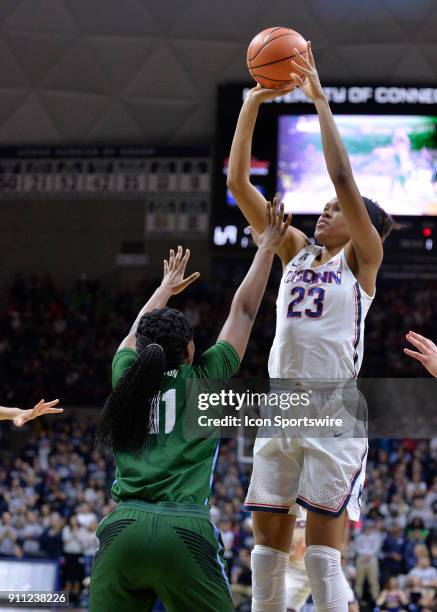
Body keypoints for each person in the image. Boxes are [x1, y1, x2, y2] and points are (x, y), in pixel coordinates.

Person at [227, 40, 398, 611]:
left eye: (335, 210)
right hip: (282, 403)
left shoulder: (362, 261)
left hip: (333, 406)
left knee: (322, 559)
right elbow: (238, 187)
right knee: (267, 554)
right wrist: (253, 103)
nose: (324, 210)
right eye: (321, 206)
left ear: (360, 227)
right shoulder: (295, 250)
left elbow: (344, 177)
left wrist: (319, 101)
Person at [89, 202, 291, 612]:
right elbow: (246, 311)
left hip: (123, 528)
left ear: (142, 350)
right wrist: (266, 248)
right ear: (191, 350)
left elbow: (133, 335)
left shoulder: (125, 376)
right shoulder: (206, 378)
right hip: (184, 530)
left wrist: (164, 288)